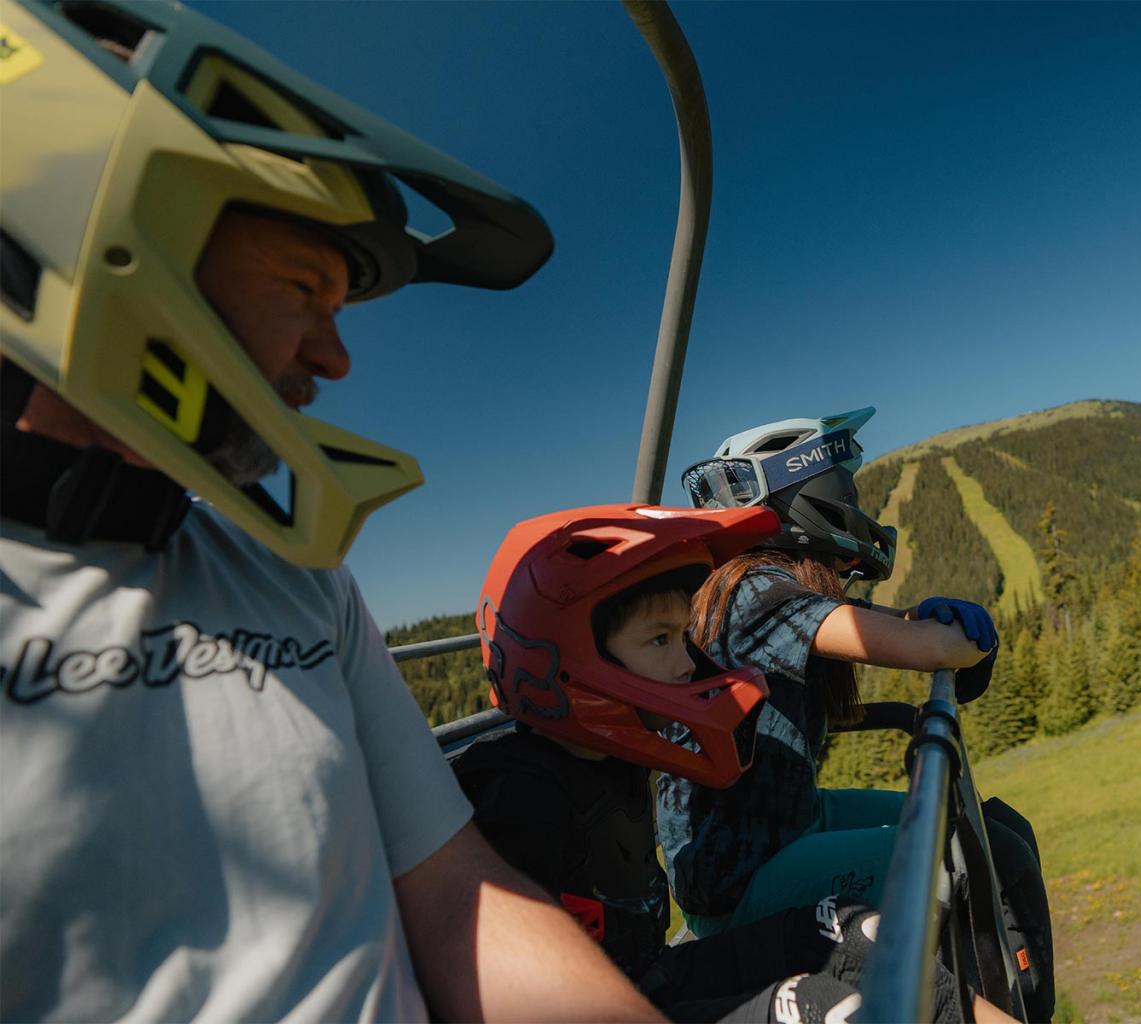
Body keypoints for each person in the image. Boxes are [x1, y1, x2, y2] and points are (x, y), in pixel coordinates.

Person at [0, 2, 659, 1020]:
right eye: (306, 287)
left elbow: (455, 900)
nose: (336, 356)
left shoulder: (289, 569)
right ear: (103, 230)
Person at [453, 503, 987, 1023]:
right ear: (570, 656)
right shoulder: (516, 800)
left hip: (652, 974)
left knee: (854, 931)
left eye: (683, 635)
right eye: (660, 639)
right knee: (823, 1010)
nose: (688, 663)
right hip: (615, 1003)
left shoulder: (614, 758)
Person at [658, 407, 1056, 1021]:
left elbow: (889, 625)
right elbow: (926, 649)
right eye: (848, 488)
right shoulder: (758, 590)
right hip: (743, 879)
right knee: (972, 859)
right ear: (819, 498)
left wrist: (923, 618)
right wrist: (969, 635)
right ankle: (1018, 1013)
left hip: (781, 829)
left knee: (986, 828)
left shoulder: (760, 584)